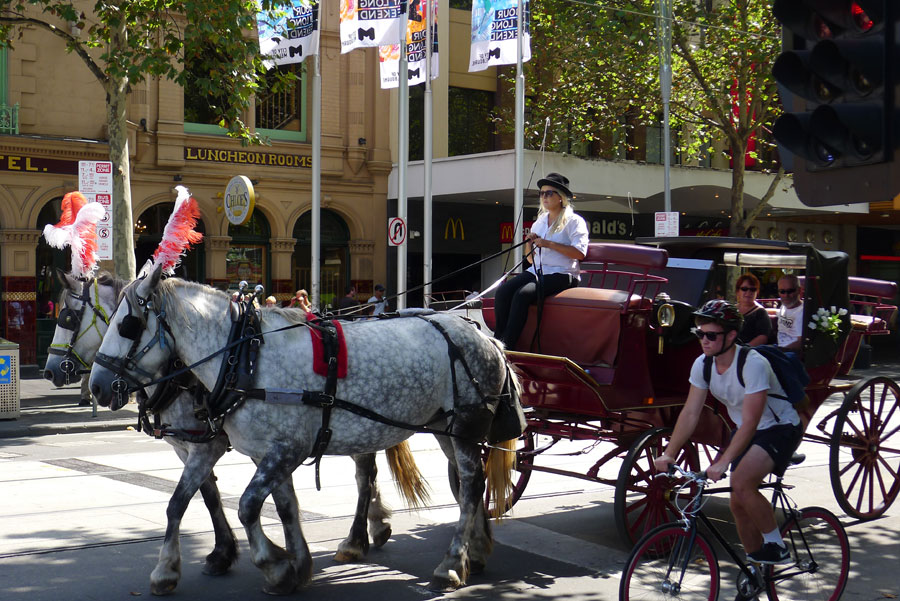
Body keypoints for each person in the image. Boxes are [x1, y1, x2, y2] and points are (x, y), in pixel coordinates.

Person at [654, 300, 802, 570]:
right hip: (748, 429)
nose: (704, 340)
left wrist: (722, 462)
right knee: (737, 503)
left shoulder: (752, 364)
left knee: (743, 483)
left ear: (731, 336)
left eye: (711, 335)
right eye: (700, 334)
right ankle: (754, 573)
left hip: (779, 428)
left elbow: (751, 421)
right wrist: (669, 453)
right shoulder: (703, 364)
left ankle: (777, 546)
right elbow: (690, 413)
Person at [493, 172, 589, 350]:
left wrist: (549, 244)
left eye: (549, 193)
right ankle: (497, 339)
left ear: (561, 197)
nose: (544, 197)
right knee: (503, 291)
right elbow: (530, 260)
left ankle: (508, 346)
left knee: (522, 295)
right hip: (538, 271)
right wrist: (530, 244)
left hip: (563, 273)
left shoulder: (575, 221)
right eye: (541, 193)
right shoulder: (539, 222)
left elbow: (580, 254)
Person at [735, 273, 772, 347]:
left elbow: (763, 337)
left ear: (757, 292)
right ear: (738, 291)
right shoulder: (731, 309)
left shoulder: (760, 312)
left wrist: (744, 349)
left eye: (752, 289)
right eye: (744, 289)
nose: (748, 292)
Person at [775, 274, 804, 352]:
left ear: (799, 290)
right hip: (778, 348)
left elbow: (801, 342)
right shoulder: (784, 306)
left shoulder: (802, 312)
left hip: (791, 354)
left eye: (790, 291)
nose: (786, 295)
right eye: (782, 291)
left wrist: (779, 351)